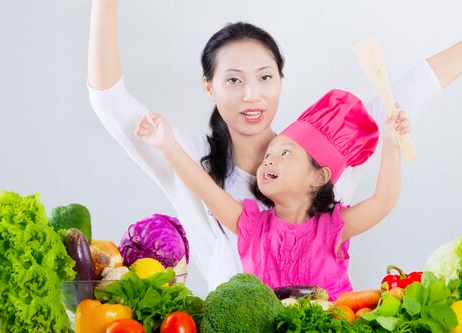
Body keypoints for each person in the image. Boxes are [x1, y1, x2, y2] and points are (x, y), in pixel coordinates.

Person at [74, 0, 462, 293]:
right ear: (209, 87)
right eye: (233, 80)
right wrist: (105, 1)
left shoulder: (324, 148)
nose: (251, 95)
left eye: (265, 77)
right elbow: (109, 102)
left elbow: (414, 87)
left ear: (282, 80)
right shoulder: (187, 159)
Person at [135, 89, 409, 300]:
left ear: (318, 177)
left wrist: (391, 144)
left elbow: (383, 201)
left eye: (284, 153)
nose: (268, 161)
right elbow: (204, 188)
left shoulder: (333, 228)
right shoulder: (253, 227)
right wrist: (166, 144)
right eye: (267, 155)